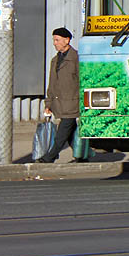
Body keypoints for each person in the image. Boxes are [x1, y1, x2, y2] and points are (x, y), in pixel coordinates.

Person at [40, 27, 81, 162]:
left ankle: (49, 157)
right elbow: (52, 84)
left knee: (62, 133)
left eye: (57, 40)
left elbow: (82, 81)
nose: (54, 43)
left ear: (67, 40)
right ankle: (83, 155)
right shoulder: (55, 60)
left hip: (72, 103)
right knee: (71, 133)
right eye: (54, 40)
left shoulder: (76, 59)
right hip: (59, 103)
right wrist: (48, 104)